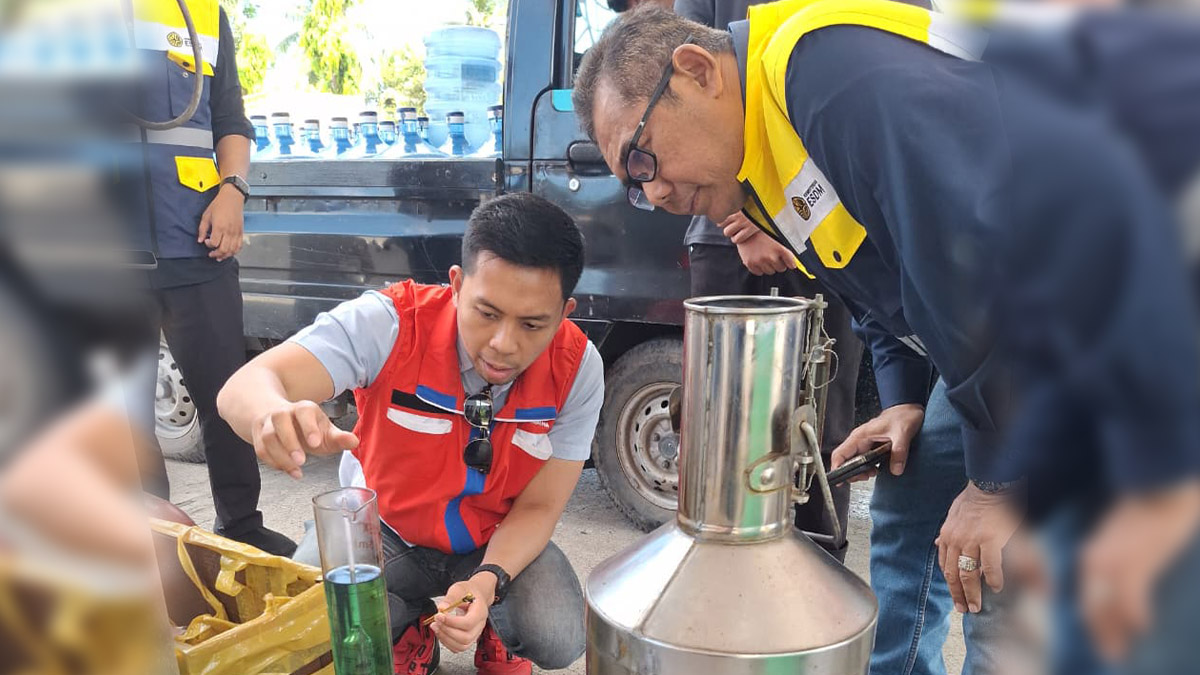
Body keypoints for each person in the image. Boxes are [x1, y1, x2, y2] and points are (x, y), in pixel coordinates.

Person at [572, 2, 1200, 673]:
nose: (657, 191)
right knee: (910, 499)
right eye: (634, 184)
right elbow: (874, 276)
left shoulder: (827, 74)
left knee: (999, 566)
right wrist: (902, 395)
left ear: (697, 72)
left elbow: (982, 255)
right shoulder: (768, 153)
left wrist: (1000, 483)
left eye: (642, 159)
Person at [217, 193, 601, 675]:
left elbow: (541, 505)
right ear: (457, 285)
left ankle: (498, 632)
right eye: (487, 313)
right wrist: (272, 412)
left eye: (532, 324)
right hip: (384, 533)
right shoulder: (389, 323)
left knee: (559, 631)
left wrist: (486, 582)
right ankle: (405, 626)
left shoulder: (578, 368)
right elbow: (242, 388)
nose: (504, 344)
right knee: (313, 621)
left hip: (491, 541)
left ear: (565, 311)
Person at [126, 0, 294, 556]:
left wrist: (233, 191)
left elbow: (230, 119)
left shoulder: (201, 12)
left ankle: (242, 524)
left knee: (228, 397)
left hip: (199, 243)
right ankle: (152, 542)